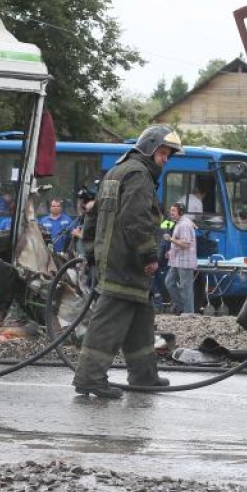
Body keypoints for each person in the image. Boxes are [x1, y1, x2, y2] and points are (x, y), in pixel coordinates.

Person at [72, 125, 184, 399]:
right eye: (163, 153)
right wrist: (148, 255)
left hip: (117, 260)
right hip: (125, 263)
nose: (165, 160)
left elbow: (92, 215)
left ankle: (144, 376)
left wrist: (90, 250)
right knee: (109, 323)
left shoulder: (116, 171)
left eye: (168, 155)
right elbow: (135, 219)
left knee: (141, 320)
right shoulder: (139, 176)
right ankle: (89, 378)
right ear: (149, 148)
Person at [164, 202, 197, 314]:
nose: (170, 213)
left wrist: (171, 240)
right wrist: (171, 251)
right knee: (169, 282)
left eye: (173, 210)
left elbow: (186, 244)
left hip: (185, 261)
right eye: (170, 210)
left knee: (186, 287)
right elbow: (179, 242)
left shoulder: (184, 225)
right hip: (176, 260)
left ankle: (188, 313)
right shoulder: (179, 223)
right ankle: (182, 306)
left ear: (180, 212)